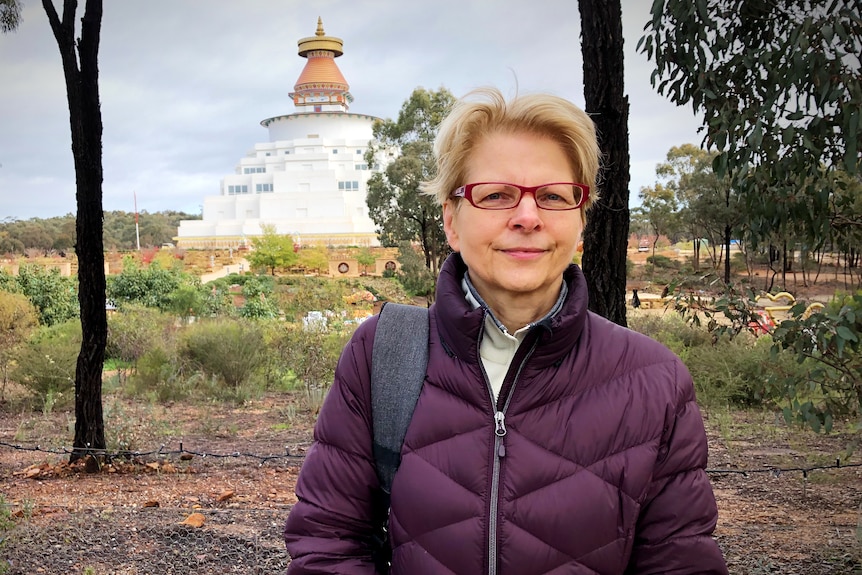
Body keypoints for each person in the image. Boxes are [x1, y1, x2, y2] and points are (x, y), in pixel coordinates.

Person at [284, 88, 727, 574]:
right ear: (452, 222)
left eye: (554, 196)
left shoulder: (654, 382)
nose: (527, 218)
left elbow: (680, 562)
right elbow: (328, 542)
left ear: (581, 222)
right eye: (496, 195)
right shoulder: (381, 356)